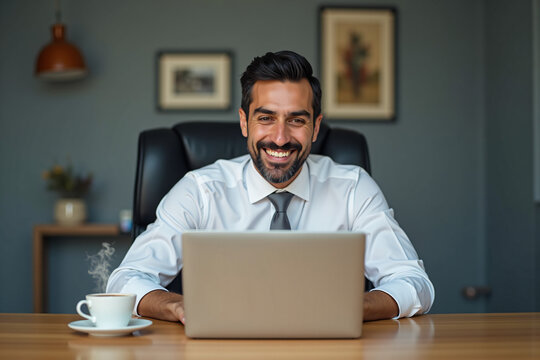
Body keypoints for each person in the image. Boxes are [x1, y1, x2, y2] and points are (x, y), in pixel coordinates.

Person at [107, 50, 434, 324]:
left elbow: (414, 283)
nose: (280, 138)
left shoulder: (353, 188)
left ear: (315, 127)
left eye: (296, 120)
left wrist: (353, 308)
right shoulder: (200, 191)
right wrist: (177, 306)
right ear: (243, 122)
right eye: (265, 118)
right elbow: (126, 280)